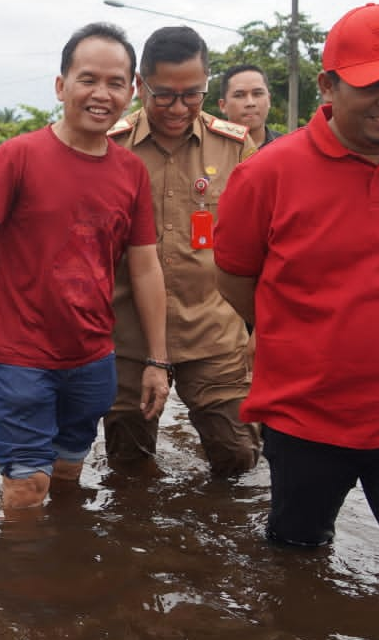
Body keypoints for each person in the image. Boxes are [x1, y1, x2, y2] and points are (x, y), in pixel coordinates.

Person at [214, 2, 379, 581]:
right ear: (329, 86)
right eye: (372, 84)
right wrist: (300, 334)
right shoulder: (266, 173)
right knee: (296, 563)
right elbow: (237, 278)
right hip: (305, 417)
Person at [0, 22, 170, 512]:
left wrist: (157, 361)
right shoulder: (18, 156)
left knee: (68, 472)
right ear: (61, 86)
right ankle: (20, 583)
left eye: (115, 83)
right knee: (26, 486)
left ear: (132, 91)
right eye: (87, 79)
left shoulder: (131, 173)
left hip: (90, 356)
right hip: (19, 355)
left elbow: (145, 268)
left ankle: (60, 571)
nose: (101, 94)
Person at [104, 27, 261, 479]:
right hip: (126, 335)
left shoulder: (235, 147)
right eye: (164, 95)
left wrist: (261, 329)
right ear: (140, 86)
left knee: (238, 455)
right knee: (127, 465)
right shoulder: (108, 147)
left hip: (212, 332)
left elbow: (264, 239)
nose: (178, 109)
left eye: (192, 95)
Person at [218, 64, 280, 148]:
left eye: (257, 94)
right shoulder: (208, 149)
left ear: (269, 100)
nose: (250, 103)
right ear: (223, 106)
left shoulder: (287, 147)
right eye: (239, 95)